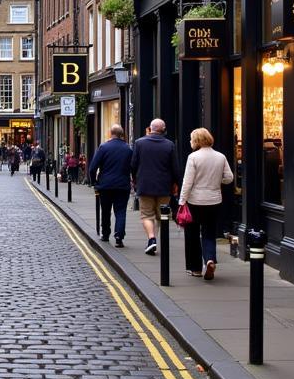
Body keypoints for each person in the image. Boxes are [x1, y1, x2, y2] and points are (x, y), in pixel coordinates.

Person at [177, 127, 234, 279]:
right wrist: (216, 182)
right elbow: (229, 177)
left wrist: (182, 200)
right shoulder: (220, 156)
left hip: (195, 200)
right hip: (214, 200)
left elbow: (187, 182)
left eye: (191, 139)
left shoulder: (193, 157)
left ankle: (195, 269)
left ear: (197, 140)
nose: (190, 141)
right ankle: (210, 259)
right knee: (209, 232)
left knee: (192, 233)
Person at [131, 118, 182, 256]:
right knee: (162, 216)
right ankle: (158, 241)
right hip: (164, 187)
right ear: (164, 130)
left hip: (145, 185)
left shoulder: (139, 143)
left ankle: (151, 239)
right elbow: (175, 168)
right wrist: (177, 184)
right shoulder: (169, 145)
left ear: (150, 128)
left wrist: (135, 180)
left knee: (147, 215)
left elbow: (133, 165)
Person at [88, 125, 133, 247]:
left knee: (106, 210)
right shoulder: (128, 149)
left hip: (105, 185)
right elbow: (133, 168)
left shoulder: (103, 147)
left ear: (110, 133)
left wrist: (94, 182)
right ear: (122, 135)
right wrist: (134, 181)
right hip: (123, 186)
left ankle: (105, 234)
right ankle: (119, 237)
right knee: (121, 211)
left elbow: (92, 168)